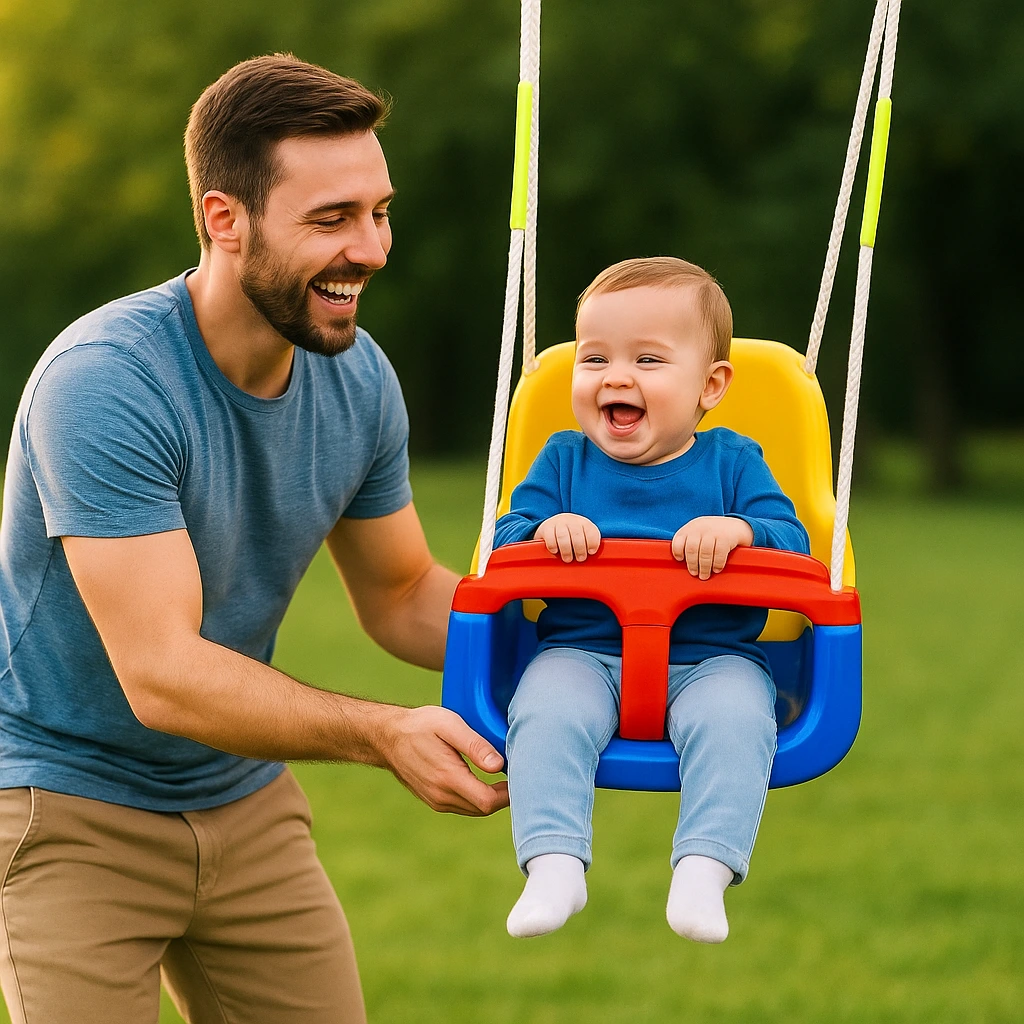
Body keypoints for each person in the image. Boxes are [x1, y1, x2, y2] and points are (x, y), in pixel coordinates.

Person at [0, 54, 508, 1024]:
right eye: (331, 220)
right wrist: (381, 732)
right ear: (223, 220)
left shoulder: (357, 379)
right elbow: (163, 673)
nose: (372, 248)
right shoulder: (107, 381)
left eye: (378, 211)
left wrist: (589, 640)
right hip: (66, 809)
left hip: (243, 805)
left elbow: (402, 593)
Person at [492, 256, 810, 943]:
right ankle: (553, 864)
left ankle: (704, 870)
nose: (615, 376)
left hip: (712, 657)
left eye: (648, 359)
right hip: (581, 651)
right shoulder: (562, 462)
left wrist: (740, 530)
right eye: (595, 356)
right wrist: (546, 528)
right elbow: (504, 544)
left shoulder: (733, 463)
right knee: (544, 711)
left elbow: (794, 543)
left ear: (710, 385)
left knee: (736, 720)